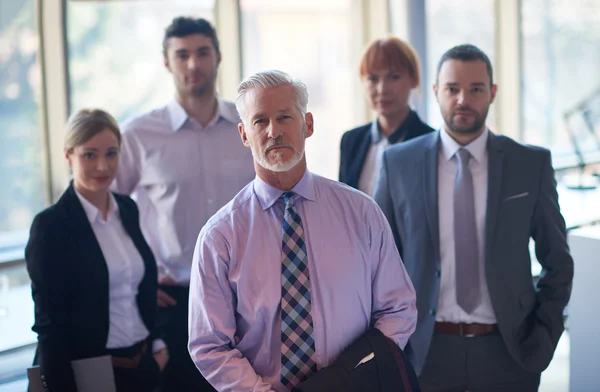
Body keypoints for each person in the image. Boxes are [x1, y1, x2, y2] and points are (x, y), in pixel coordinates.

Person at [187, 70, 417, 392]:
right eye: (260, 121)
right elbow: (209, 345)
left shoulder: (361, 213)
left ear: (308, 124)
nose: (273, 132)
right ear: (243, 134)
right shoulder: (219, 237)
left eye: (284, 117)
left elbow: (398, 310)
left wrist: (351, 378)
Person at [374, 44, 574, 391]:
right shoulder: (398, 164)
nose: (463, 99)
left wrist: (542, 339)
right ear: (436, 92)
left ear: (492, 93)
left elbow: (558, 260)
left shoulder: (529, 165)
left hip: (509, 351)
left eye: (476, 89)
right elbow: (374, 263)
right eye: (452, 89)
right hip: (424, 351)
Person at [112, 16, 254, 391]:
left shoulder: (250, 126)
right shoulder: (139, 135)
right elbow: (105, 211)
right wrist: (136, 278)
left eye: (202, 52)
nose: (193, 64)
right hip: (174, 303)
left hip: (247, 296)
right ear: (167, 63)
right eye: (182, 55)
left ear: (218, 57)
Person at [25, 109, 165, 392]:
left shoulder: (127, 208)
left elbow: (140, 287)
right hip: (88, 374)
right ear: (68, 155)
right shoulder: (51, 226)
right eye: (90, 155)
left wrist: (158, 345)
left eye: (111, 153)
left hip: (142, 363)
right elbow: (50, 328)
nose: (103, 166)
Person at [339, 36, 434, 196]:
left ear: (414, 79)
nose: (382, 89)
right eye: (373, 79)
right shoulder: (351, 140)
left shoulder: (431, 143)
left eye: (394, 77)